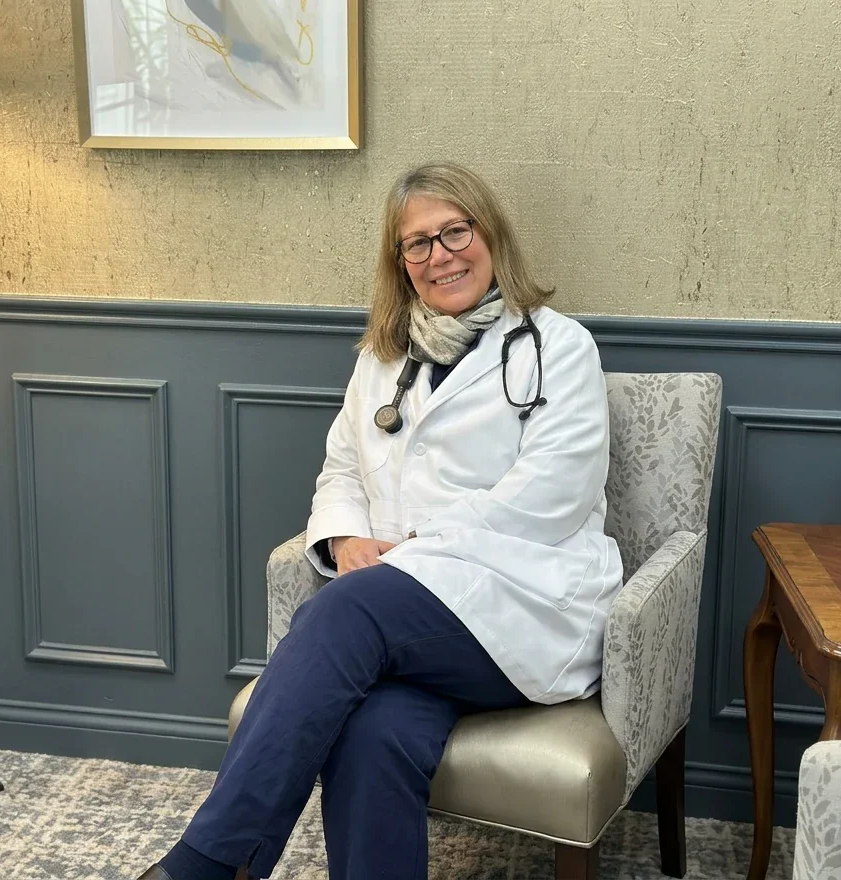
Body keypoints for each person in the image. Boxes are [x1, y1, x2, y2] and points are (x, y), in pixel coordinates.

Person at [138, 163, 624, 880]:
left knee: (342, 613)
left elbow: (550, 498)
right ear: (399, 263)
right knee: (372, 732)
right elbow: (341, 470)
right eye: (417, 243)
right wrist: (342, 537)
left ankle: (208, 864)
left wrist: (410, 554)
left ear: (491, 236)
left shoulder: (561, 348)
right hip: (409, 616)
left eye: (455, 231)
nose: (440, 255)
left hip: (524, 605)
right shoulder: (381, 357)